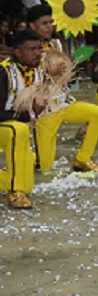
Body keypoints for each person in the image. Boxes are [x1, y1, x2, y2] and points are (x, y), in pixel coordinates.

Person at [28, 4, 98, 172]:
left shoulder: (56, 43)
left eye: (50, 22)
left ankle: (83, 159)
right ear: (32, 26)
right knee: (44, 167)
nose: (49, 27)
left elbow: (65, 70)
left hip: (63, 102)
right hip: (44, 110)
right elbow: (24, 76)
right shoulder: (27, 48)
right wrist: (47, 71)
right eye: (44, 23)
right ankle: (26, 157)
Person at [0, 30, 49, 209]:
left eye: (39, 49)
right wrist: (28, 114)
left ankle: (19, 187)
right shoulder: (3, 72)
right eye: (31, 49)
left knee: (28, 186)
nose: (37, 53)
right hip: (7, 128)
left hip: (16, 130)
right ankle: (14, 191)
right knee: (17, 129)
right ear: (17, 53)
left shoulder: (38, 72)